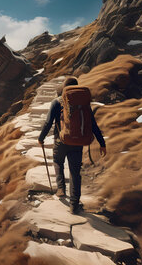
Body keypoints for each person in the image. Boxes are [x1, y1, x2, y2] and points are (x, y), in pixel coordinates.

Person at [37, 76, 107, 214]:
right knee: (75, 172)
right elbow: (93, 125)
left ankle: (61, 189)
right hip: (77, 143)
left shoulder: (57, 102)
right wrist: (102, 143)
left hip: (60, 141)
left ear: (64, 88)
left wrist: (41, 138)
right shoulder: (84, 104)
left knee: (58, 162)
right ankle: (74, 205)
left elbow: (48, 122)